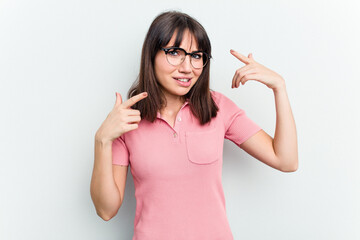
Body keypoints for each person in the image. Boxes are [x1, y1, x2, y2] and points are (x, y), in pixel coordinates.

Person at [90, 11, 298, 240]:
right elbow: (106, 210)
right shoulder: (128, 121)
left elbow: (286, 160)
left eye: (196, 56)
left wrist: (279, 87)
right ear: (151, 55)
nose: (187, 67)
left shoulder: (218, 108)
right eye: (175, 53)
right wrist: (102, 140)